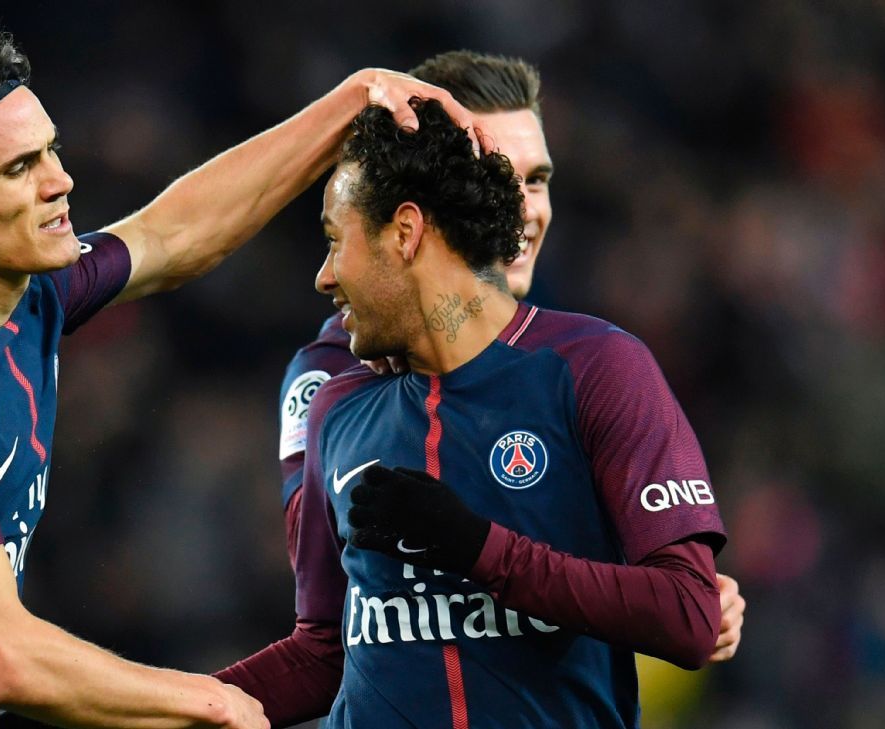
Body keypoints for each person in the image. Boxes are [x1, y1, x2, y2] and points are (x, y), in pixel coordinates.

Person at [0, 8, 480, 728]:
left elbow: (174, 234)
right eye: (19, 168)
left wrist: (350, 103)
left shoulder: (23, 287)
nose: (60, 181)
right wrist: (210, 701)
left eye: (50, 151)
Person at [251, 53, 744, 715]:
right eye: (497, 175)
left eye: (536, 180)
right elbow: (330, 623)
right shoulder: (332, 383)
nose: (522, 209)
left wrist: (661, 578)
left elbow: (683, 607)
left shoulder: (592, 363)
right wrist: (164, 702)